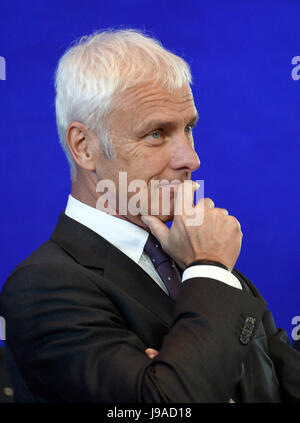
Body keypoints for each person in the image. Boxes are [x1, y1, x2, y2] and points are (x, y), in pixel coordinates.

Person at [1, 29, 300, 403]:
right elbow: (164, 406)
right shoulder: (42, 287)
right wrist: (208, 270)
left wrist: (179, 364)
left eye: (188, 129)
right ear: (85, 147)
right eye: (156, 134)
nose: (190, 159)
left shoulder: (201, 267)